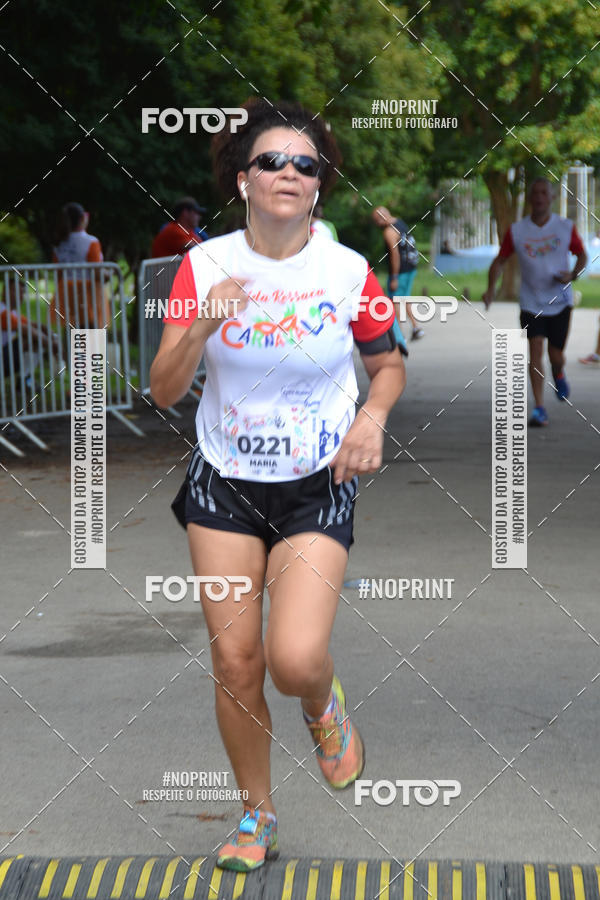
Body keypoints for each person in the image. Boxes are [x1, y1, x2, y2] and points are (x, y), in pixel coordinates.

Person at [150, 98, 405, 872]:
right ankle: (256, 816)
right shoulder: (202, 265)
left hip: (314, 483)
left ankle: (323, 706)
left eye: (305, 163)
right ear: (242, 177)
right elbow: (162, 389)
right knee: (236, 663)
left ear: (320, 183)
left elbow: (387, 363)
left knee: (294, 660)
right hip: (225, 484)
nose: (289, 173)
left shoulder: (347, 270)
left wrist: (372, 419)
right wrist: (198, 326)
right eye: (271, 161)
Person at [483, 178, 588, 427]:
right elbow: (500, 261)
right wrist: (490, 289)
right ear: (530, 199)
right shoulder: (517, 231)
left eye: (544, 192)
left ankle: (559, 372)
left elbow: (582, 254)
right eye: (535, 193)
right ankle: (539, 407)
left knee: (556, 354)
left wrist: (572, 274)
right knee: (536, 350)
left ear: (551, 198)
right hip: (531, 302)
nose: (539, 197)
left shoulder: (564, 227)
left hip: (560, 301)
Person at [50, 202, 109, 328]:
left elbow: (58, 274)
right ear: (83, 218)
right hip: (88, 296)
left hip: (66, 295)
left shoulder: (59, 244)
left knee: (72, 334)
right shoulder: (91, 242)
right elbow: (98, 273)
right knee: (90, 335)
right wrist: (109, 273)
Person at [372, 205, 424, 342]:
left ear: (380, 219)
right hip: (411, 266)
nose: (376, 224)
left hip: (400, 271)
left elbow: (395, 255)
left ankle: (399, 336)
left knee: (394, 301)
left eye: (376, 221)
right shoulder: (399, 222)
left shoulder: (389, 232)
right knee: (404, 298)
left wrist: (394, 277)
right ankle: (416, 327)